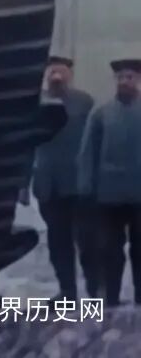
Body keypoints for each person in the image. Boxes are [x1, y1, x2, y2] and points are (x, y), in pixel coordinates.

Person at [27, 56, 97, 299]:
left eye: (61, 72)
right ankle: (67, 291)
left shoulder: (84, 102)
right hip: (48, 185)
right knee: (58, 243)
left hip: (79, 184)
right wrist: (23, 185)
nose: (56, 77)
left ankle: (94, 290)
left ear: (69, 75)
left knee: (87, 241)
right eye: (52, 72)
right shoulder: (35, 102)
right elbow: (26, 144)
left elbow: (94, 141)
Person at [77, 57, 141, 306]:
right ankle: (111, 298)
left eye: (130, 77)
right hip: (108, 196)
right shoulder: (101, 114)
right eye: (121, 77)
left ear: (138, 80)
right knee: (110, 250)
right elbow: (87, 153)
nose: (125, 82)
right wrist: (86, 188)